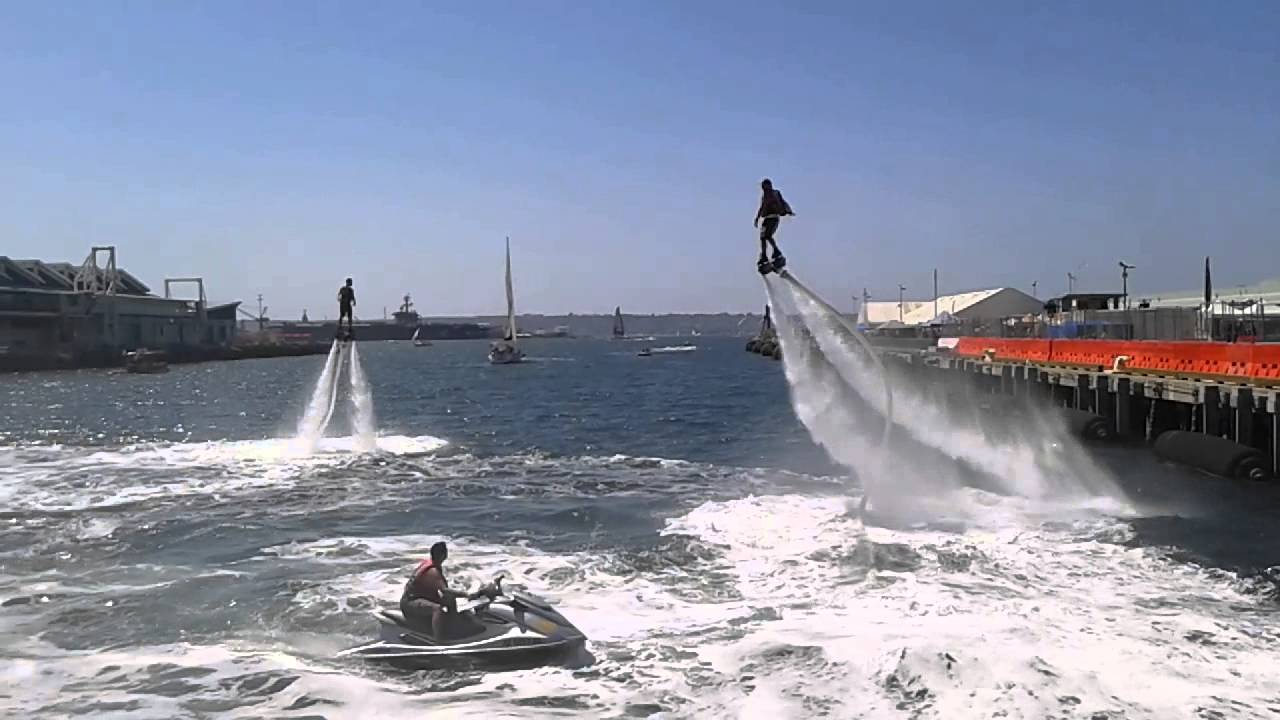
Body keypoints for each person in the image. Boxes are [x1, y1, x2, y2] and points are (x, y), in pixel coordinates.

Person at [400, 541, 482, 641]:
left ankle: (454, 628)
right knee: (437, 609)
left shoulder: (432, 565)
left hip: (420, 598)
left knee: (449, 599)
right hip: (410, 602)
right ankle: (439, 641)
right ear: (444, 555)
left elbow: (443, 591)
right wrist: (466, 595)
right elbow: (445, 590)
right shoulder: (432, 571)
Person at [754, 178, 794, 267]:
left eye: (764, 186)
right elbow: (762, 207)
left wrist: (788, 210)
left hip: (774, 218)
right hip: (766, 219)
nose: (763, 188)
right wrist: (757, 218)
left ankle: (776, 251)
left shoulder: (775, 193)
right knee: (762, 237)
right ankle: (764, 255)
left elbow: (783, 202)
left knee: (767, 235)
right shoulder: (764, 196)